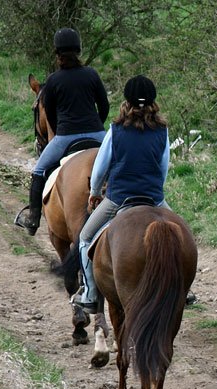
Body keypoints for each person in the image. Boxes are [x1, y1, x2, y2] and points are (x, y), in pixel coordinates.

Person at [71, 75, 171, 313]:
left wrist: (95, 192)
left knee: (85, 238)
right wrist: (156, 191)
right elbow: (163, 166)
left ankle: (89, 293)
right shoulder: (162, 131)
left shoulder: (115, 131)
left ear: (126, 101)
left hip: (118, 199)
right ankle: (184, 290)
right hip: (154, 198)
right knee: (181, 235)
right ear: (154, 102)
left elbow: (100, 169)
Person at [18, 27, 109, 235]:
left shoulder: (53, 80)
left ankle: (33, 218)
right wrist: (96, 125)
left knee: (38, 171)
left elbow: (49, 113)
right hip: (97, 134)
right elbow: (104, 105)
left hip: (65, 137)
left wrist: (61, 131)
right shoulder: (92, 74)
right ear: (78, 51)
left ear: (57, 53)